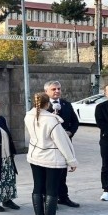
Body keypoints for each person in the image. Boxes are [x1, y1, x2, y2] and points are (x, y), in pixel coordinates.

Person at [25, 92, 78, 215]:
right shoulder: (51, 120)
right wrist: (72, 161)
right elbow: (62, 142)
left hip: (35, 155)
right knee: (51, 190)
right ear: (47, 104)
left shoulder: (28, 115)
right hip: (52, 158)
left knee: (37, 188)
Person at [43, 80, 80, 208]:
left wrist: (70, 132)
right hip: (48, 146)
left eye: (59, 88)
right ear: (46, 92)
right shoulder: (41, 106)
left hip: (64, 144)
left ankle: (63, 197)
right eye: (53, 89)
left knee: (62, 174)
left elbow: (75, 122)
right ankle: (48, 199)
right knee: (47, 175)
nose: (57, 91)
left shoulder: (66, 104)